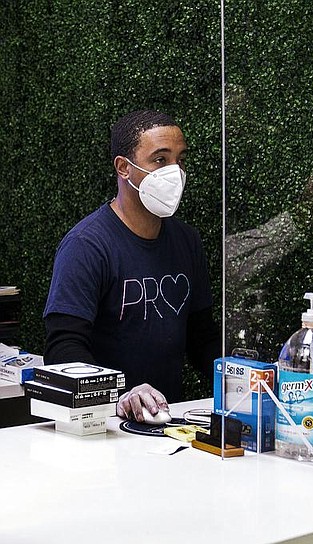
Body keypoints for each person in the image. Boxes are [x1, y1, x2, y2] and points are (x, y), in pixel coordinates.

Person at [43, 110, 221, 422]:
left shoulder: (186, 240)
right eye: (160, 160)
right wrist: (117, 396)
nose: (175, 172)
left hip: (167, 421)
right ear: (124, 168)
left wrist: (242, 377)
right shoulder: (87, 245)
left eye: (181, 160)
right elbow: (63, 347)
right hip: (104, 424)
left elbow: (201, 337)